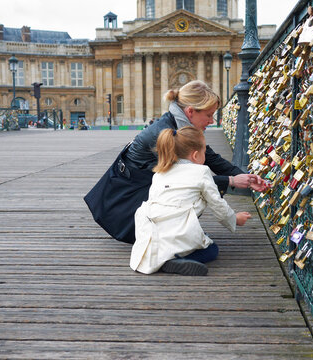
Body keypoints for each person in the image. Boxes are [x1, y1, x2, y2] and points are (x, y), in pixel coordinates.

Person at [84, 80, 266, 244]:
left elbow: (208, 156)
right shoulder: (165, 134)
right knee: (195, 190)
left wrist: (241, 175)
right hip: (128, 202)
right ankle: (172, 241)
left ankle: (175, 234)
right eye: (209, 115)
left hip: (139, 189)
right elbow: (186, 181)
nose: (211, 121)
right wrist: (232, 182)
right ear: (190, 111)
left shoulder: (178, 124)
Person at [130, 127, 251, 276]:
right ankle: (173, 260)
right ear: (195, 155)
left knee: (184, 234)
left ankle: (159, 256)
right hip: (178, 228)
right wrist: (235, 219)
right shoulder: (202, 172)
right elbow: (218, 205)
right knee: (212, 249)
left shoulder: (160, 173)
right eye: (204, 152)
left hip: (151, 228)